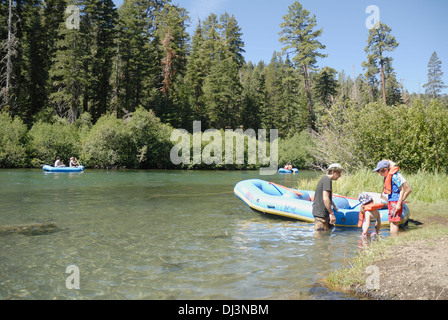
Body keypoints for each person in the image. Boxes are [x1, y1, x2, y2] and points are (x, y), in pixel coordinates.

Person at [373, 160, 411, 236]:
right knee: (392, 220)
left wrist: (399, 203)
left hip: (395, 201)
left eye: (380, 172)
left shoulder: (394, 176)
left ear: (386, 169)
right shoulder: (389, 176)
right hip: (391, 201)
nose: (380, 174)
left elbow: (402, 190)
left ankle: (394, 237)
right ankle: (392, 236)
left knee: (394, 221)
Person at [312, 163, 343, 231]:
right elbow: (325, 198)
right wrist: (332, 214)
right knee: (320, 238)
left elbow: (327, 197)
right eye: (339, 173)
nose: (340, 175)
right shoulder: (327, 180)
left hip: (322, 213)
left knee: (326, 233)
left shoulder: (325, 179)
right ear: (333, 172)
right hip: (321, 214)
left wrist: (333, 205)